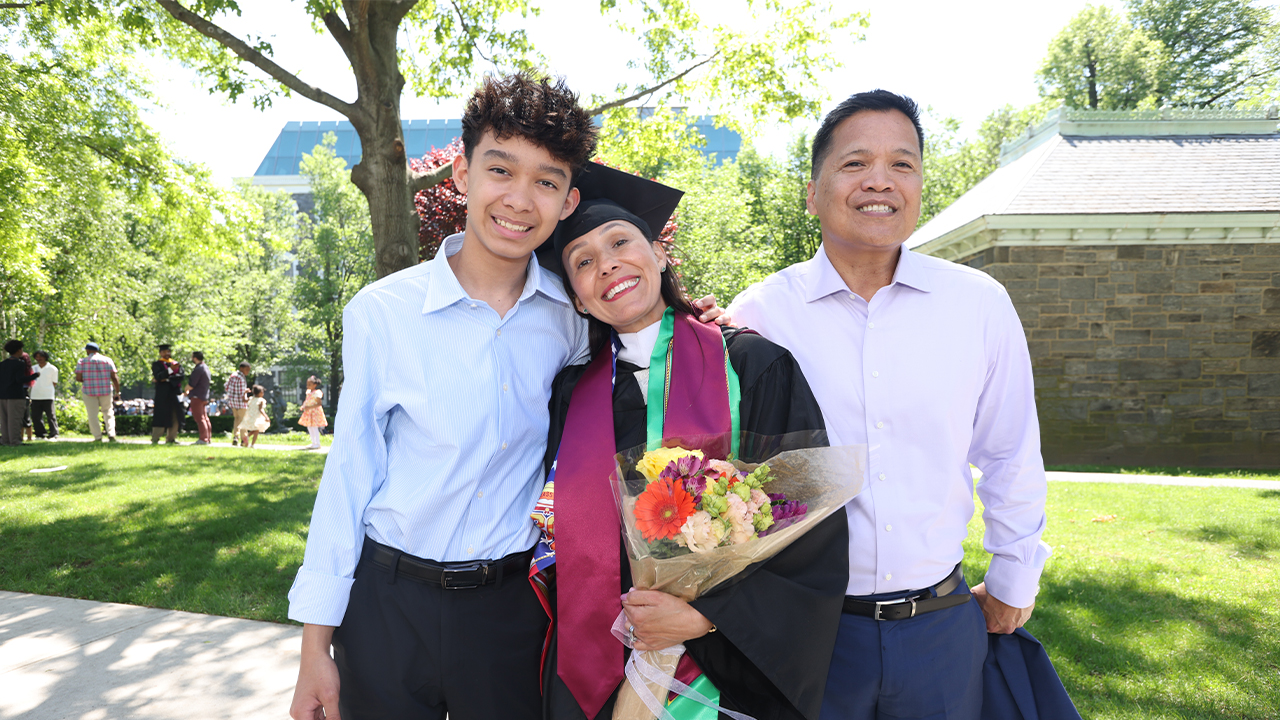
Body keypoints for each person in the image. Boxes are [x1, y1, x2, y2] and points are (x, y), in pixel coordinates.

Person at [287, 73, 725, 720]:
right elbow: (349, 475)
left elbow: (640, 364)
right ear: (462, 174)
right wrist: (314, 648)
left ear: (568, 201)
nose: (519, 199)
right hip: (387, 604)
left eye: (546, 181)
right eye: (500, 170)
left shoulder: (573, 319)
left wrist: (697, 329)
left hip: (511, 611)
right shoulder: (382, 313)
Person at [728, 90, 1051, 720]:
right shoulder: (760, 314)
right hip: (808, 632)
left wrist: (1015, 577)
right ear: (812, 192)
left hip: (941, 629)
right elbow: (731, 468)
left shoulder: (978, 304)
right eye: (855, 163)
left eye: (902, 164)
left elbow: (1011, 450)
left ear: (920, 185)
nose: (880, 181)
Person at [540, 164, 849, 720]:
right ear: (579, 300)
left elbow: (809, 524)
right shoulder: (569, 395)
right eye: (582, 261)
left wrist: (708, 617)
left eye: (620, 242)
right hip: (601, 655)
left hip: (726, 666)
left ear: (659, 254)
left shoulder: (750, 365)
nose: (606, 264)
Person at [75, 342, 120, 442]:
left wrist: (88, 380)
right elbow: (114, 377)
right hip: (106, 390)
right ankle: (111, 434)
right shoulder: (108, 360)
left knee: (92, 414)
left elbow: (78, 378)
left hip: (89, 391)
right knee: (108, 412)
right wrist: (118, 392)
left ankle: (97, 436)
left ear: (88, 350)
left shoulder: (82, 361)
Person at [0, 340, 39, 446]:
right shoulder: (19, 364)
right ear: (18, 350)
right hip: (15, 395)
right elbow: (20, 379)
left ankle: (5, 440)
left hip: (2, 395)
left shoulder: (2, 364)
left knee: (4, 419)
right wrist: (34, 376)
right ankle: (15, 441)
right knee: (15, 419)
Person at [150, 344, 184, 445]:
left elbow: (181, 376)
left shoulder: (176, 364)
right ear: (160, 353)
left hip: (175, 393)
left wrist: (167, 379)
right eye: (164, 352)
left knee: (175, 415)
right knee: (160, 415)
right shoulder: (157, 364)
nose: (167, 354)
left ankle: (171, 438)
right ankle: (155, 438)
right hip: (162, 394)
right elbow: (158, 376)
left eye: (168, 351)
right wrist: (170, 370)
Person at [185, 351, 212, 445]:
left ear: (195, 358)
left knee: (199, 418)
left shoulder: (198, 369)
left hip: (197, 396)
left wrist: (186, 389)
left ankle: (203, 439)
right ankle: (208, 438)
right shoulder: (206, 367)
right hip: (204, 396)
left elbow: (192, 384)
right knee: (204, 417)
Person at [30, 350, 58, 439]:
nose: (39, 359)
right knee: (36, 416)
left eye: (41, 357)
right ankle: (40, 434)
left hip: (48, 395)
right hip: (35, 395)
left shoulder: (52, 368)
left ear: (45, 357)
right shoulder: (33, 368)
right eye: (37, 357)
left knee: (51, 416)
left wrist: (47, 388)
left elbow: (54, 382)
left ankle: (54, 434)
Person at [225, 361, 251, 445]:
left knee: (236, 419)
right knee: (244, 421)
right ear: (241, 368)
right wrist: (246, 391)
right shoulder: (241, 378)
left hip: (233, 402)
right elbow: (242, 392)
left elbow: (226, 387)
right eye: (247, 370)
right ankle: (244, 440)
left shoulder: (232, 376)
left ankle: (236, 436)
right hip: (241, 403)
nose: (248, 372)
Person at [297, 376, 327, 450]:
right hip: (309, 411)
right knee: (309, 427)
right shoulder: (308, 392)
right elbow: (307, 400)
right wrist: (303, 406)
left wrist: (309, 407)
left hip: (315, 412)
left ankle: (317, 443)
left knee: (314, 427)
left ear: (315, 385)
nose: (307, 386)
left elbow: (319, 403)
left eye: (309, 384)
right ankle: (313, 443)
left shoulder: (317, 393)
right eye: (307, 384)